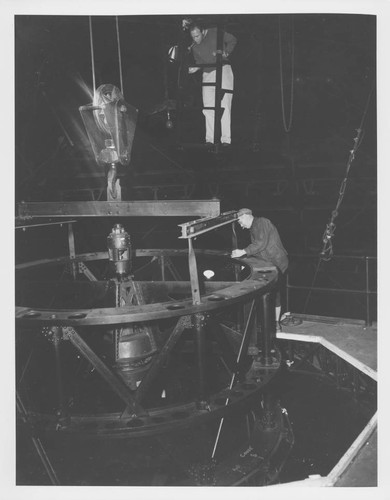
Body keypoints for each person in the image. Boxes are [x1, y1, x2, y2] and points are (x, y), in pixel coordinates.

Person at [231, 208, 289, 331]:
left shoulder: (262, 222)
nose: (241, 226)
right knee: (272, 292)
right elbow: (258, 250)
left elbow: (260, 244)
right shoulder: (254, 228)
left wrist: (243, 251)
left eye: (240, 221)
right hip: (269, 263)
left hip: (277, 262)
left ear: (246, 215)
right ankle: (272, 321)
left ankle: (275, 323)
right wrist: (245, 258)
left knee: (275, 293)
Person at [187, 21, 237, 145]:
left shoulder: (215, 32)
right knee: (208, 107)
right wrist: (196, 68)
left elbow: (232, 40)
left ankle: (226, 139)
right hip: (207, 74)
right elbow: (200, 62)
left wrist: (226, 52)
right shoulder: (195, 47)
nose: (195, 39)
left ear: (203, 31)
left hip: (223, 69)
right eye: (192, 37)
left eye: (197, 36)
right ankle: (210, 139)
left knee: (224, 105)